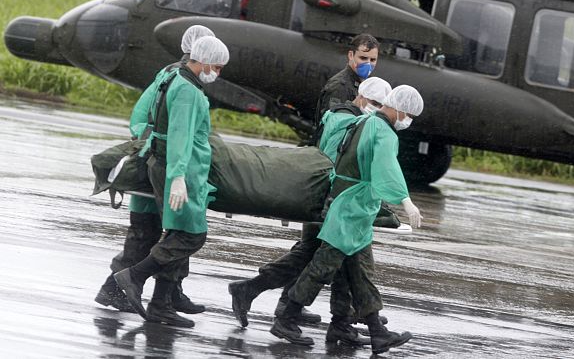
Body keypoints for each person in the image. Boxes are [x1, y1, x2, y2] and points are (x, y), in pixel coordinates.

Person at [228, 77, 392, 346]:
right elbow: (338, 161)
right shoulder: (345, 119)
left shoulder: (341, 116)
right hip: (330, 197)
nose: (376, 109)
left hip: (329, 195)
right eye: (374, 103)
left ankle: (340, 321)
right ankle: (274, 303)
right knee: (322, 256)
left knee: (324, 256)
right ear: (361, 97)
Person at [271, 85, 424, 355]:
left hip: (350, 205)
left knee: (361, 272)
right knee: (323, 266)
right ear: (399, 108)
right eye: (409, 114)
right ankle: (287, 317)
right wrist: (406, 201)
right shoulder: (384, 133)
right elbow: (387, 168)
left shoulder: (363, 120)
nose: (408, 120)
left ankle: (377, 332)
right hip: (353, 209)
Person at [95, 25, 214, 314]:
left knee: (152, 234)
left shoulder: (170, 75)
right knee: (167, 234)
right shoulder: (180, 80)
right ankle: (120, 290)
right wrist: (160, 149)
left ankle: (170, 292)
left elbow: (140, 116)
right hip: (161, 164)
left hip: (153, 159)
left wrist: (150, 145)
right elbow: (158, 122)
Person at [114, 35, 229, 328]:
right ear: (202, 60)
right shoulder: (188, 90)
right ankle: (135, 277)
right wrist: (178, 176)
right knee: (190, 235)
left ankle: (163, 303)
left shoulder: (174, 78)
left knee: (178, 233)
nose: (217, 72)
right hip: (182, 168)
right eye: (216, 66)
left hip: (175, 164)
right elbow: (180, 135)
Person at [314, 33, 380, 126]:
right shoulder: (340, 86)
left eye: (372, 60)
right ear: (351, 55)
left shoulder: (360, 85)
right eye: (363, 58)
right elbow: (332, 126)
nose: (368, 64)